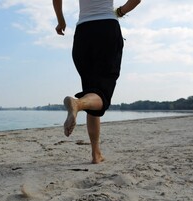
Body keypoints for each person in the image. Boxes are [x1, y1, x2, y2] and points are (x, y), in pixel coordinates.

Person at [53, 0, 141, 164]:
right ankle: (77, 104)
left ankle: (96, 153)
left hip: (83, 33)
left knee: (92, 94)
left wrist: (61, 21)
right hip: (107, 29)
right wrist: (120, 12)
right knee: (101, 94)